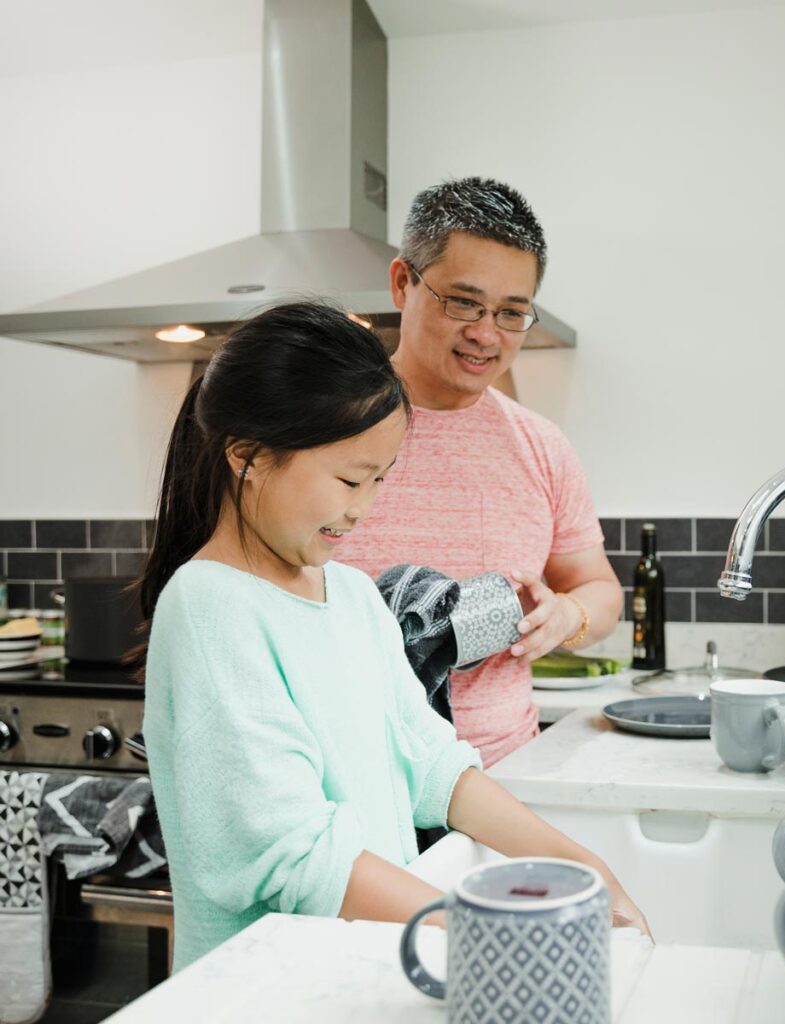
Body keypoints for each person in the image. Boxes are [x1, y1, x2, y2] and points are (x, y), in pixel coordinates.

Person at [139, 302, 648, 971]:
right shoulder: (210, 606)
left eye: (380, 480)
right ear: (248, 456)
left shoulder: (349, 594)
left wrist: (577, 864)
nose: (363, 508)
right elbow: (296, 851)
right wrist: (494, 932)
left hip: (362, 973)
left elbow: (431, 763)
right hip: (267, 991)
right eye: (351, 479)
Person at [338, 177, 622, 767]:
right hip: (355, 776)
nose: (486, 333)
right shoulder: (328, 430)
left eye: (511, 312)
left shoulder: (540, 445)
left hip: (505, 779)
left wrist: (569, 615)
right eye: (464, 302)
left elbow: (599, 588)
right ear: (402, 283)